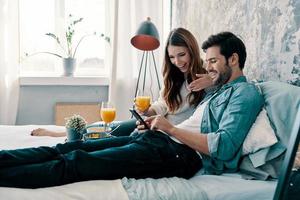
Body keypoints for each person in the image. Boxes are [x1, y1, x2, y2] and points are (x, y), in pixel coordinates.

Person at [0, 31, 263, 188]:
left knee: (77, 162)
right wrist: (157, 125)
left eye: (214, 61)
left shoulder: (246, 93)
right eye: (208, 62)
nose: (210, 68)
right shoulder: (219, 90)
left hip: (179, 155)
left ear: (234, 59)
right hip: (159, 139)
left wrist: (169, 127)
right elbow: (182, 113)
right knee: (68, 148)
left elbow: (224, 146)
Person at [30, 27, 213, 137]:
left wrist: (210, 81)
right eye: (172, 57)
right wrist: (147, 111)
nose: (177, 62)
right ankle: (61, 133)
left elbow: (229, 86)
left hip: (168, 132)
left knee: (110, 135)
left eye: (181, 55)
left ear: (192, 50)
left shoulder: (207, 75)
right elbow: (164, 104)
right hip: (155, 123)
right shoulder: (174, 77)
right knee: (110, 126)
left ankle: (67, 136)